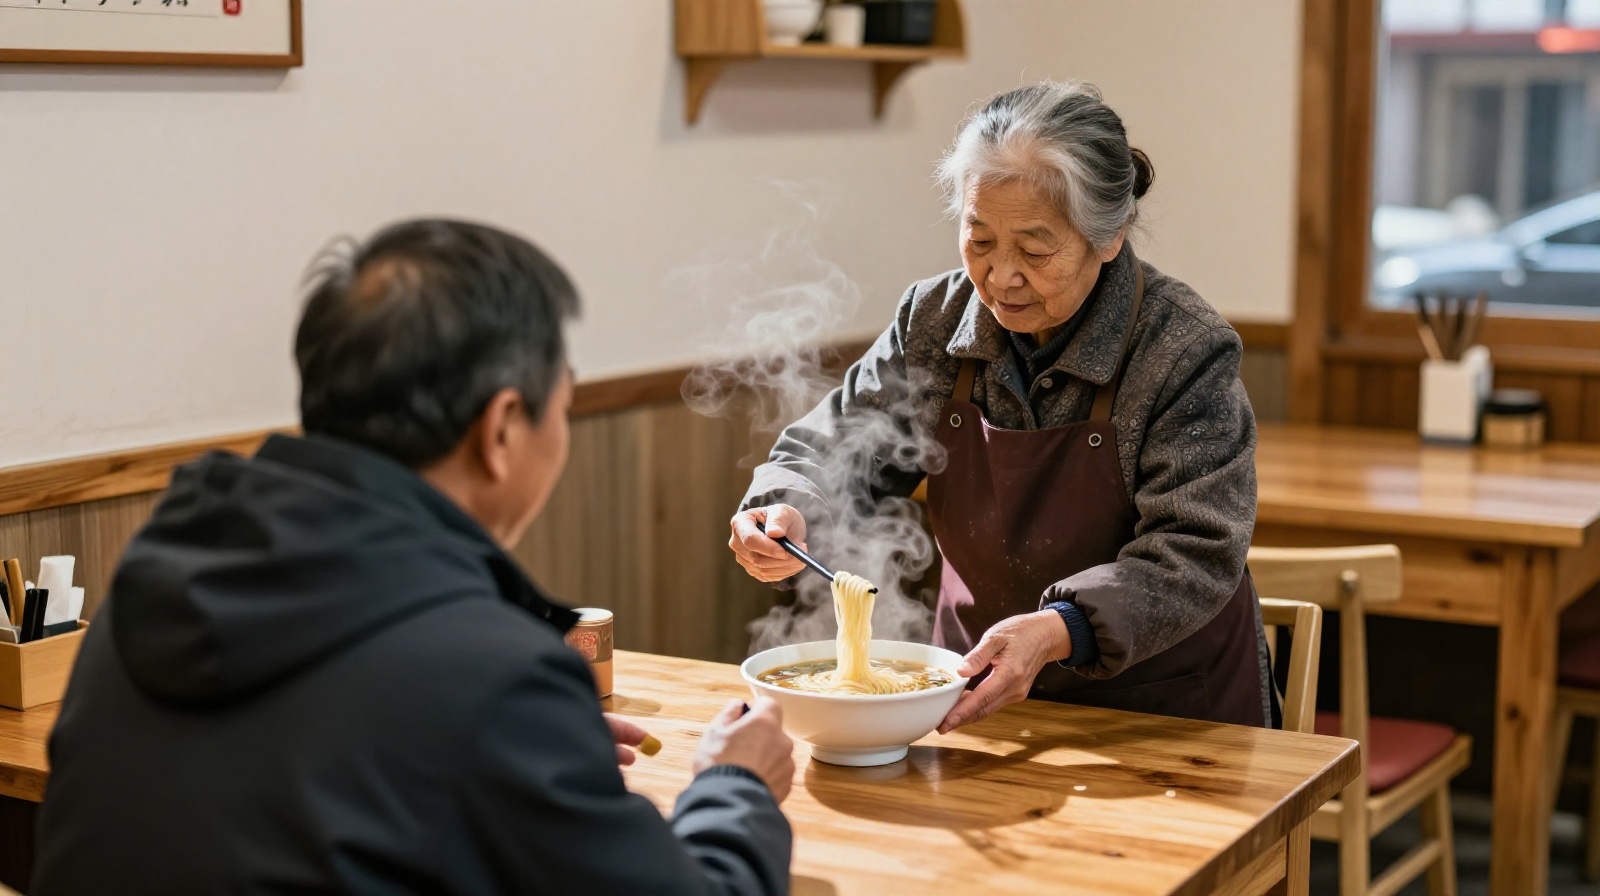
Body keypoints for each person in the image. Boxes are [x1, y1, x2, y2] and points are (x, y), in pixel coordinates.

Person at [35, 220, 796, 895]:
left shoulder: (160, 572)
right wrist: (736, 785)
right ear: (501, 429)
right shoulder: (489, 676)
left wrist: (535, 755)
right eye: (561, 406)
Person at [729, 82, 1273, 732]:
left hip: (1164, 714)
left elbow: (1196, 550)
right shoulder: (934, 320)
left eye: (1036, 250)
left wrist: (1058, 630)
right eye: (979, 239)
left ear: (1111, 236)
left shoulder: (1181, 349)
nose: (1001, 276)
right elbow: (830, 450)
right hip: (976, 690)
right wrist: (786, 503)